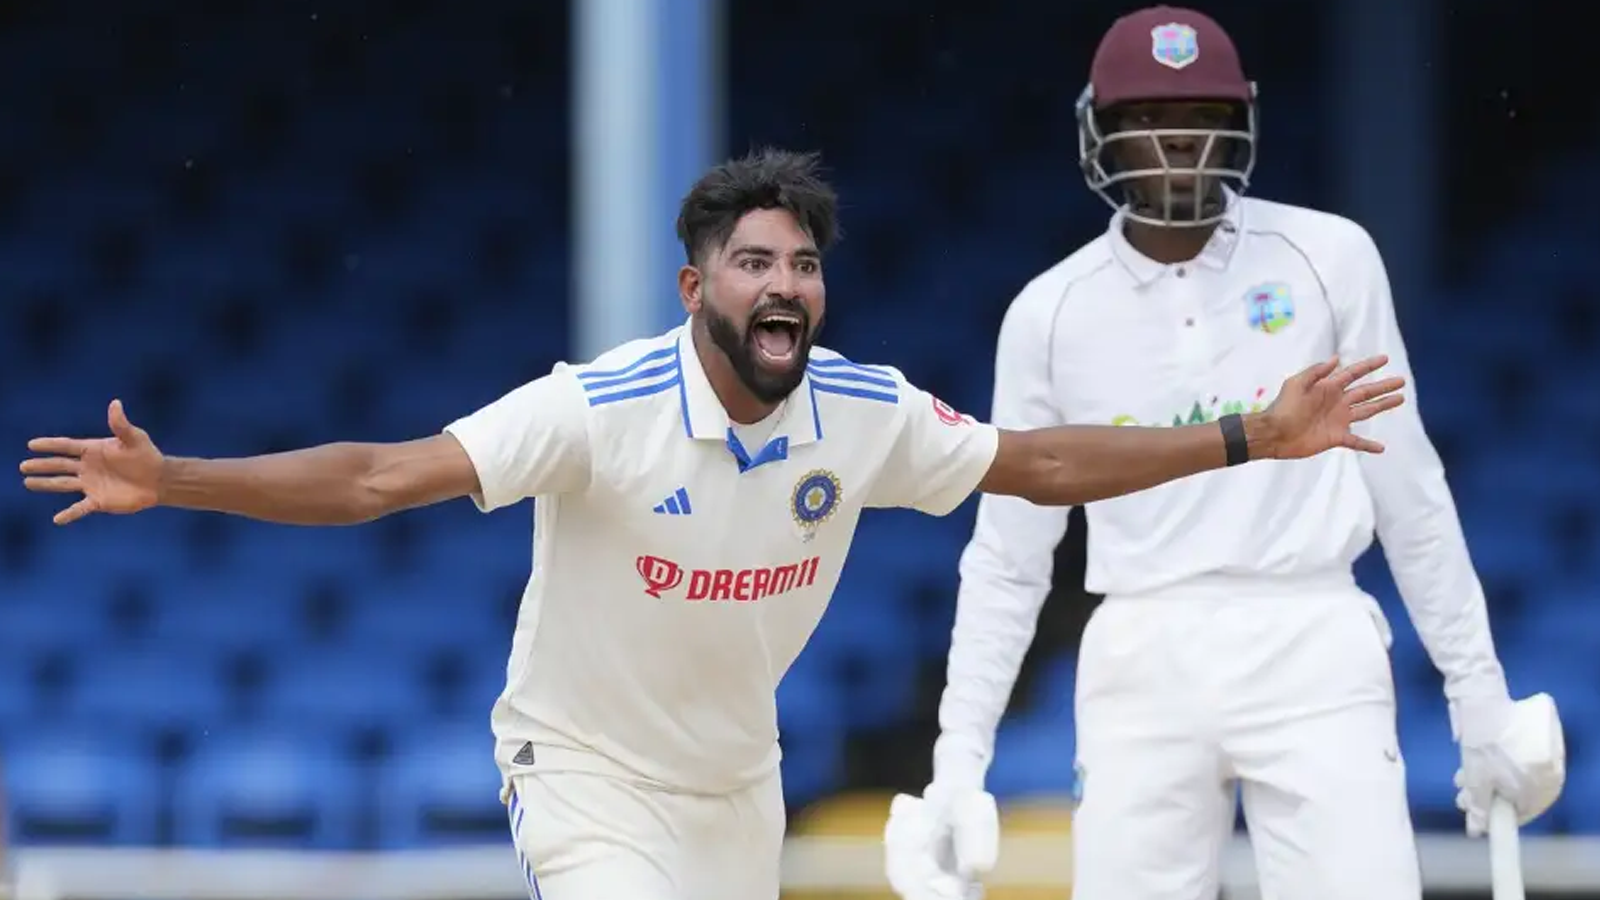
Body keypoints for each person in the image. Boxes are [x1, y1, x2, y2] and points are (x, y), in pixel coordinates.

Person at [21, 148, 1405, 900]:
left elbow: (1038, 463)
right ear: (696, 288)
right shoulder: (597, 404)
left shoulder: (861, 411)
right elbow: (385, 478)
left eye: (803, 263)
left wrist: (1246, 436)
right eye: (754, 262)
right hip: (581, 769)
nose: (785, 282)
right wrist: (181, 477)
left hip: (739, 785)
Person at [883, 8, 1567, 900]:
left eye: (1200, 119)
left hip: (1311, 630)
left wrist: (1479, 702)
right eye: (1149, 123)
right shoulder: (1050, 315)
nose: (1178, 147)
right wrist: (957, 764)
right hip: (1141, 643)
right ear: (1102, 132)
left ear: (1238, 121)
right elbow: (1010, 558)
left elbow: (1408, 491)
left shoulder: (1329, 257)